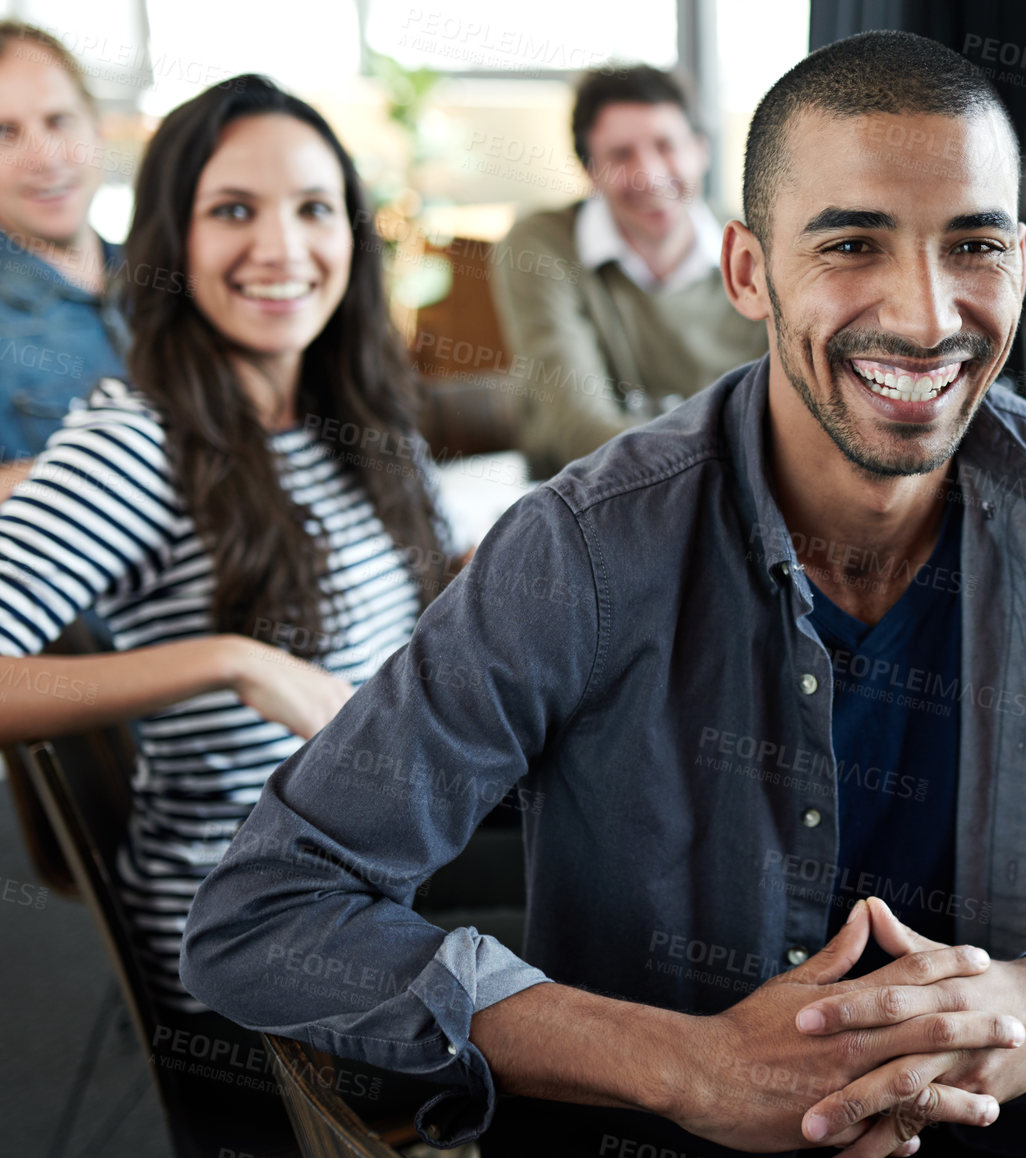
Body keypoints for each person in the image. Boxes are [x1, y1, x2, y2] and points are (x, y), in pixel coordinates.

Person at [181, 30, 1026, 1158]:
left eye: (974, 245)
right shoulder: (579, 550)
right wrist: (687, 1066)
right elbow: (264, 915)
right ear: (747, 270)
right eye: (852, 244)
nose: (929, 314)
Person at [0, 74, 460, 1020]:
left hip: (391, 858)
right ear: (175, 239)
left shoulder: (357, 412)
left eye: (314, 209)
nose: (282, 247)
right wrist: (228, 661)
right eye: (234, 211)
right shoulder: (134, 441)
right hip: (261, 933)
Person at [491, 63, 767, 478]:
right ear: (590, 172)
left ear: (700, 151)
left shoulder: (761, 247)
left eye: (666, 145)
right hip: (587, 503)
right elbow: (579, 429)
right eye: (621, 155)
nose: (650, 175)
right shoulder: (542, 246)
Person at [0, 21, 128, 481]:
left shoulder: (176, 280)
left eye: (58, 120)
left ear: (97, 128)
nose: (44, 156)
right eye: (5, 133)